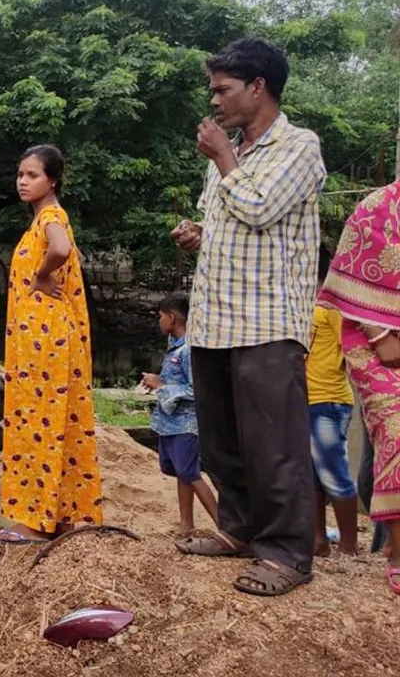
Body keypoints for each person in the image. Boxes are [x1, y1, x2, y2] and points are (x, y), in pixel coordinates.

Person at [170, 37, 324, 596]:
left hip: (267, 323)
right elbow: (233, 221)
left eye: (223, 90)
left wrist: (224, 158)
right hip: (215, 322)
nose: (214, 101)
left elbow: (260, 208)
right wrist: (198, 236)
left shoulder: (299, 147)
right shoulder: (229, 154)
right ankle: (237, 528)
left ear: (258, 87)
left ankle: (286, 554)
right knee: (223, 438)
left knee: (273, 444)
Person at [0, 145, 101, 545]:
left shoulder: (51, 216)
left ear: (52, 181)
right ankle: (65, 515)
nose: (22, 181)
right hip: (46, 336)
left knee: (38, 423)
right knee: (59, 422)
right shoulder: (46, 219)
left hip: (44, 339)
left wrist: (40, 275)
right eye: (20, 174)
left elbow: (61, 250)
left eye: (32, 175)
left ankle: (34, 521)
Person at [318, 179, 400, 594]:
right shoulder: (375, 210)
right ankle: (396, 551)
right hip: (375, 340)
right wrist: (380, 332)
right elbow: (353, 284)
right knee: (395, 429)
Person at [141, 293, 219, 535]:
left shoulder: (188, 351)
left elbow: (199, 390)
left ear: (172, 318)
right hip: (170, 423)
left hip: (186, 424)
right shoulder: (173, 348)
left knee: (190, 472)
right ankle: (186, 524)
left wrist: (162, 387)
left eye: (161, 316)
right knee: (181, 471)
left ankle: (224, 526)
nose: (159, 321)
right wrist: (158, 382)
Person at [306, 253, 359, 558]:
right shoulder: (306, 303)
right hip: (307, 399)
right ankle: (318, 540)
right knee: (312, 474)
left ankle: (349, 545)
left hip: (329, 399)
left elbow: (349, 348)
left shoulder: (332, 305)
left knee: (334, 472)